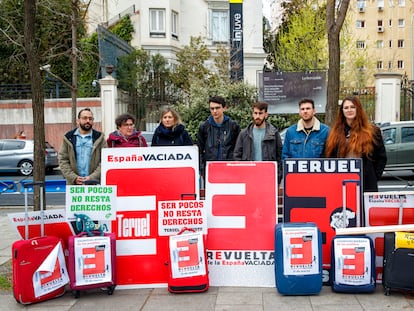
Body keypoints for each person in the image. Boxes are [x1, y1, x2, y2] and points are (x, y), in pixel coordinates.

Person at [325, 95, 387, 192]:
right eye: (346, 108)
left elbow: (381, 157)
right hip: (341, 182)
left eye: (352, 107)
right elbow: (329, 157)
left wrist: (373, 177)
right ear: (342, 111)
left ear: (358, 109)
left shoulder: (373, 132)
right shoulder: (335, 133)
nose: (349, 110)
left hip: (365, 183)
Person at [234, 101, 283, 184]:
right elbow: (237, 156)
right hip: (248, 176)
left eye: (260, 113)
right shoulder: (244, 134)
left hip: (267, 176)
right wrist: (241, 176)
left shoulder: (273, 133)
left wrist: (278, 178)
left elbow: (279, 157)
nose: (257, 116)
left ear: (266, 115)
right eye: (255, 113)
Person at [59, 108, 107, 185]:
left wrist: (92, 177)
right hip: (74, 185)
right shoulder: (68, 138)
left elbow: (104, 161)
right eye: (84, 118)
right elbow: (63, 160)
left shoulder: (100, 138)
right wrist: (73, 178)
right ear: (78, 120)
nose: (88, 121)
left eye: (90, 118)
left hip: (95, 184)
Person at [197, 96, 240, 177]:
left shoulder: (233, 125)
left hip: (229, 168)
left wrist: (236, 164)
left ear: (224, 108)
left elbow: (238, 148)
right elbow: (199, 150)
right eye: (212, 108)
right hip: (211, 169)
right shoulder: (204, 126)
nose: (215, 111)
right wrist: (202, 168)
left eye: (217, 108)